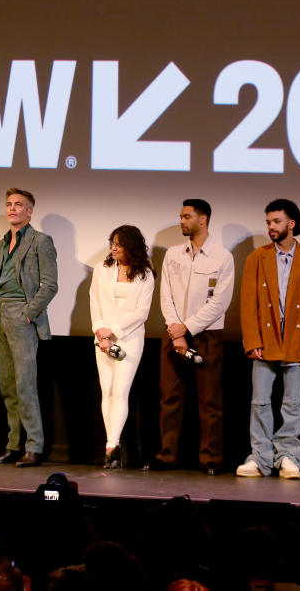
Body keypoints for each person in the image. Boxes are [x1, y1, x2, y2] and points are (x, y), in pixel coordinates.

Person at [237, 199, 300, 479]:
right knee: (260, 402)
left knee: (292, 403)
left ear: (292, 223)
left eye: (276, 221)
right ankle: (260, 458)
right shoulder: (257, 258)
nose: (271, 227)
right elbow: (247, 303)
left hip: (296, 340)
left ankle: (288, 456)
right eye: (268, 222)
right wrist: (253, 341)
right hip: (265, 338)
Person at [146, 199, 234, 475]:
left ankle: (210, 459)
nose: (181, 221)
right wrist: (175, 329)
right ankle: (167, 454)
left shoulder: (222, 256)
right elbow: (166, 293)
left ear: (203, 219)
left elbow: (220, 302)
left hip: (207, 335)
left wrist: (188, 328)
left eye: (186, 216)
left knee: (209, 401)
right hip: (173, 335)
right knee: (169, 398)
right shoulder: (173, 253)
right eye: (180, 217)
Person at [0, 188, 58, 468]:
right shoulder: (1, 244)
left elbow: (50, 284)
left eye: (18, 205)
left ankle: (34, 447)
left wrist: (29, 313)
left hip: (21, 314)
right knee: (7, 386)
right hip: (1, 315)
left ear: (29, 211)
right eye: (8, 204)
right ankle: (13, 445)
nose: (12, 209)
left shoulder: (41, 241)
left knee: (25, 384)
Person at [89, 225, 154, 469]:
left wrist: (113, 330)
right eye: (112, 242)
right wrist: (101, 331)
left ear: (132, 246)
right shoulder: (102, 270)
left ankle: (112, 445)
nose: (114, 247)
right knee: (106, 391)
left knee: (120, 392)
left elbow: (142, 312)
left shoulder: (145, 274)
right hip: (102, 339)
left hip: (129, 339)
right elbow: (94, 301)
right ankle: (112, 446)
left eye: (119, 243)